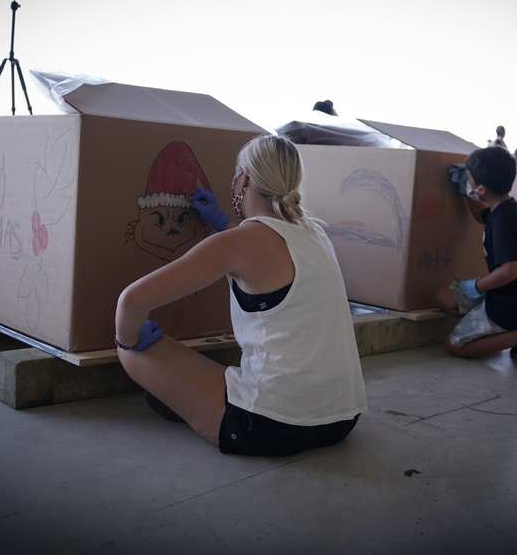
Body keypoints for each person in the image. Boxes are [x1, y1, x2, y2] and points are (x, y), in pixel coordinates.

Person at [114, 134, 367, 456]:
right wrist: (221, 222)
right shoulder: (314, 233)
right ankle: (197, 399)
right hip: (340, 419)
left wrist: (129, 340)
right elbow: (261, 251)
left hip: (268, 426)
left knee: (131, 350)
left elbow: (131, 302)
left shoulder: (240, 242)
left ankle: (191, 401)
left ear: (243, 178)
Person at [439, 146, 517, 370]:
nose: (469, 181)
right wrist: (463, 191)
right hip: (516, 294)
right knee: (444, 298)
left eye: (470, 180)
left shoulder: (502, 221)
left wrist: (476, 286)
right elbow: (480, 215)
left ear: (482, 189)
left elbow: (510, 270)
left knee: (455, 345)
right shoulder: (505, 207)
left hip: (513, 302)